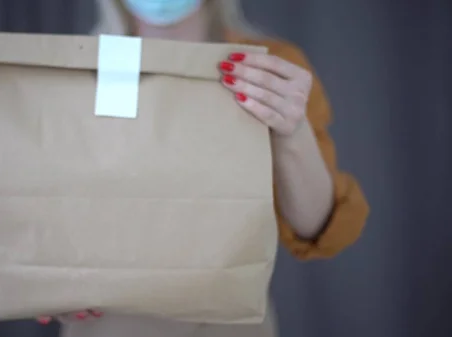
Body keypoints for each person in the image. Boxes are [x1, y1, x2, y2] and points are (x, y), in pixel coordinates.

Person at [38, 0, 370, 336]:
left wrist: (293, 130)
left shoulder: (268, 67)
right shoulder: (76, 69)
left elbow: (315, 225)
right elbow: (41, 210)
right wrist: (46, 277)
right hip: (105, 323)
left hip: (229, 323)